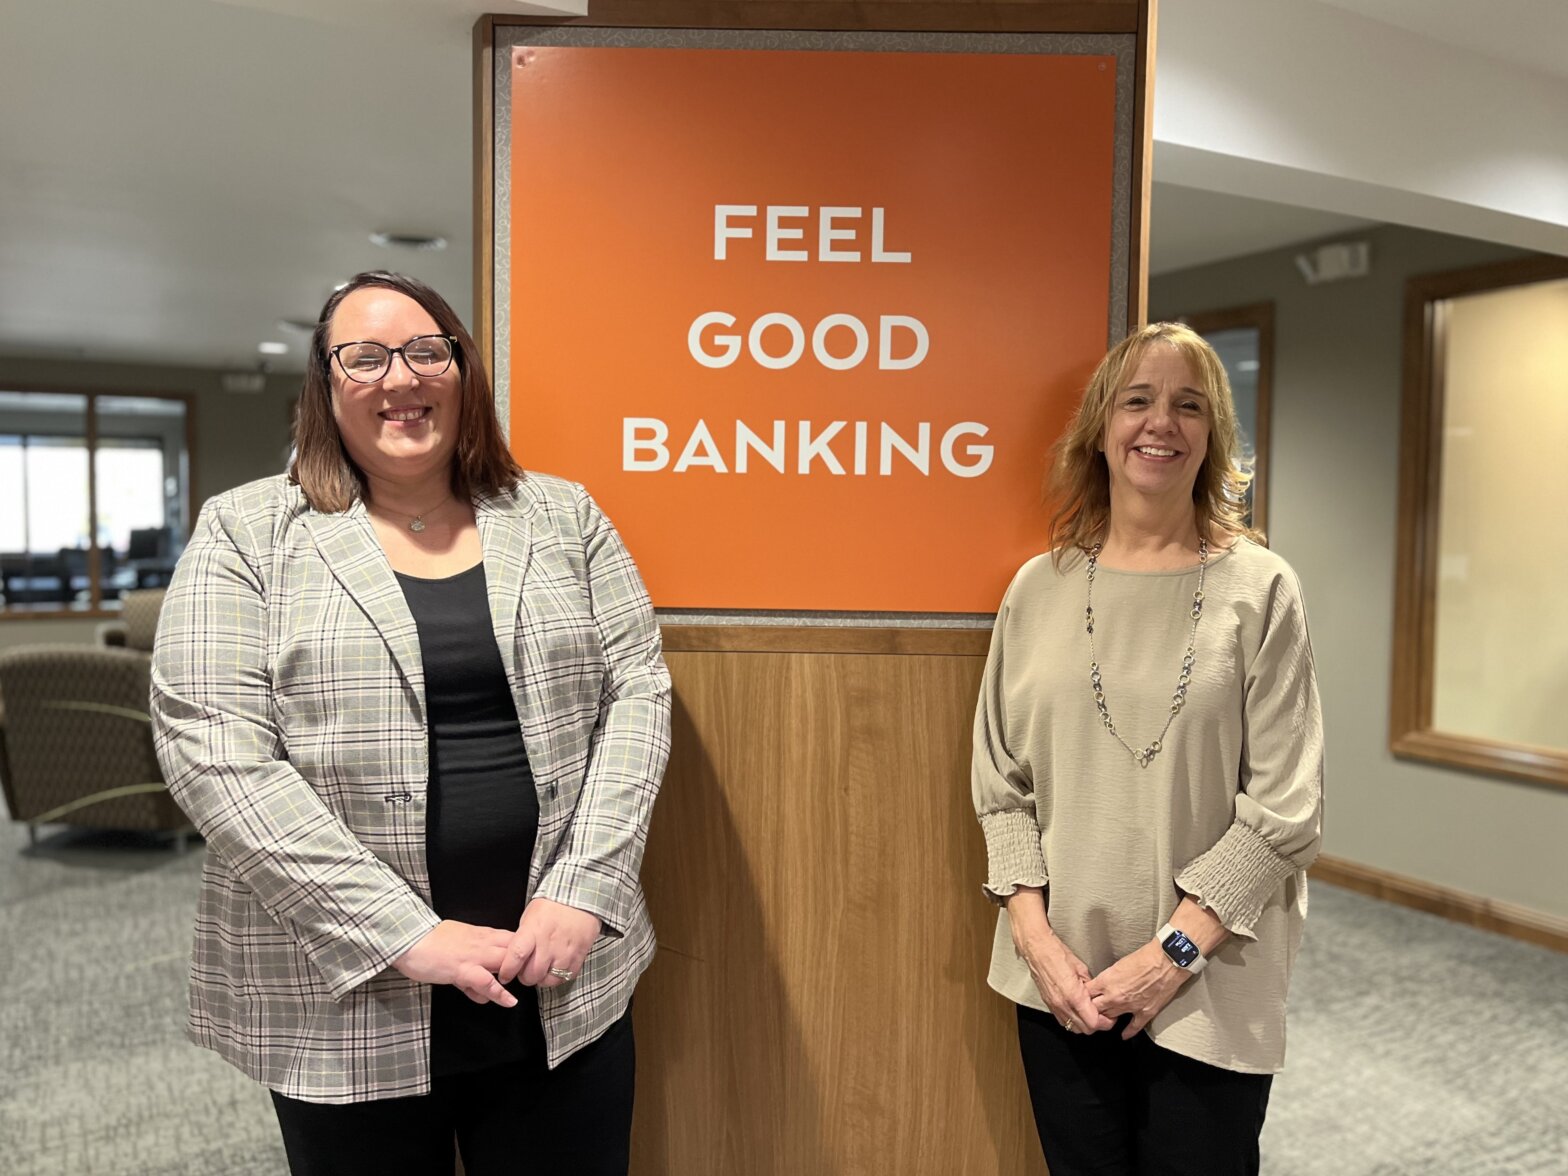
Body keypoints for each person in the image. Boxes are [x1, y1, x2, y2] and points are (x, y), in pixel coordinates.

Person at [150, 271, 670, 1176]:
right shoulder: (244, 533)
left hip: (557, 972)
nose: (402, 379)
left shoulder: (564, 517)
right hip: (346, 996)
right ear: (325, 382)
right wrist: (403, 932)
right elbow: (215, 753)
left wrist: (584, 887)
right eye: (366, 357)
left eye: (428, 350)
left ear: (462, 370)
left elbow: (639, 694)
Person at [970, 322, 1323, 1176]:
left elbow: (1286, 810)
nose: (1160, 423)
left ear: (1212, 436)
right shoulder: (1038, 587)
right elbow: (1000, 787)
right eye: (1138, 400)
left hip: (1211, 979)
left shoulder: (1260, 587)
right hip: (1063, 985)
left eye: (1188, 405)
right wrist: (1038, 943)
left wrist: (1171, 956)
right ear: (1102, 425)